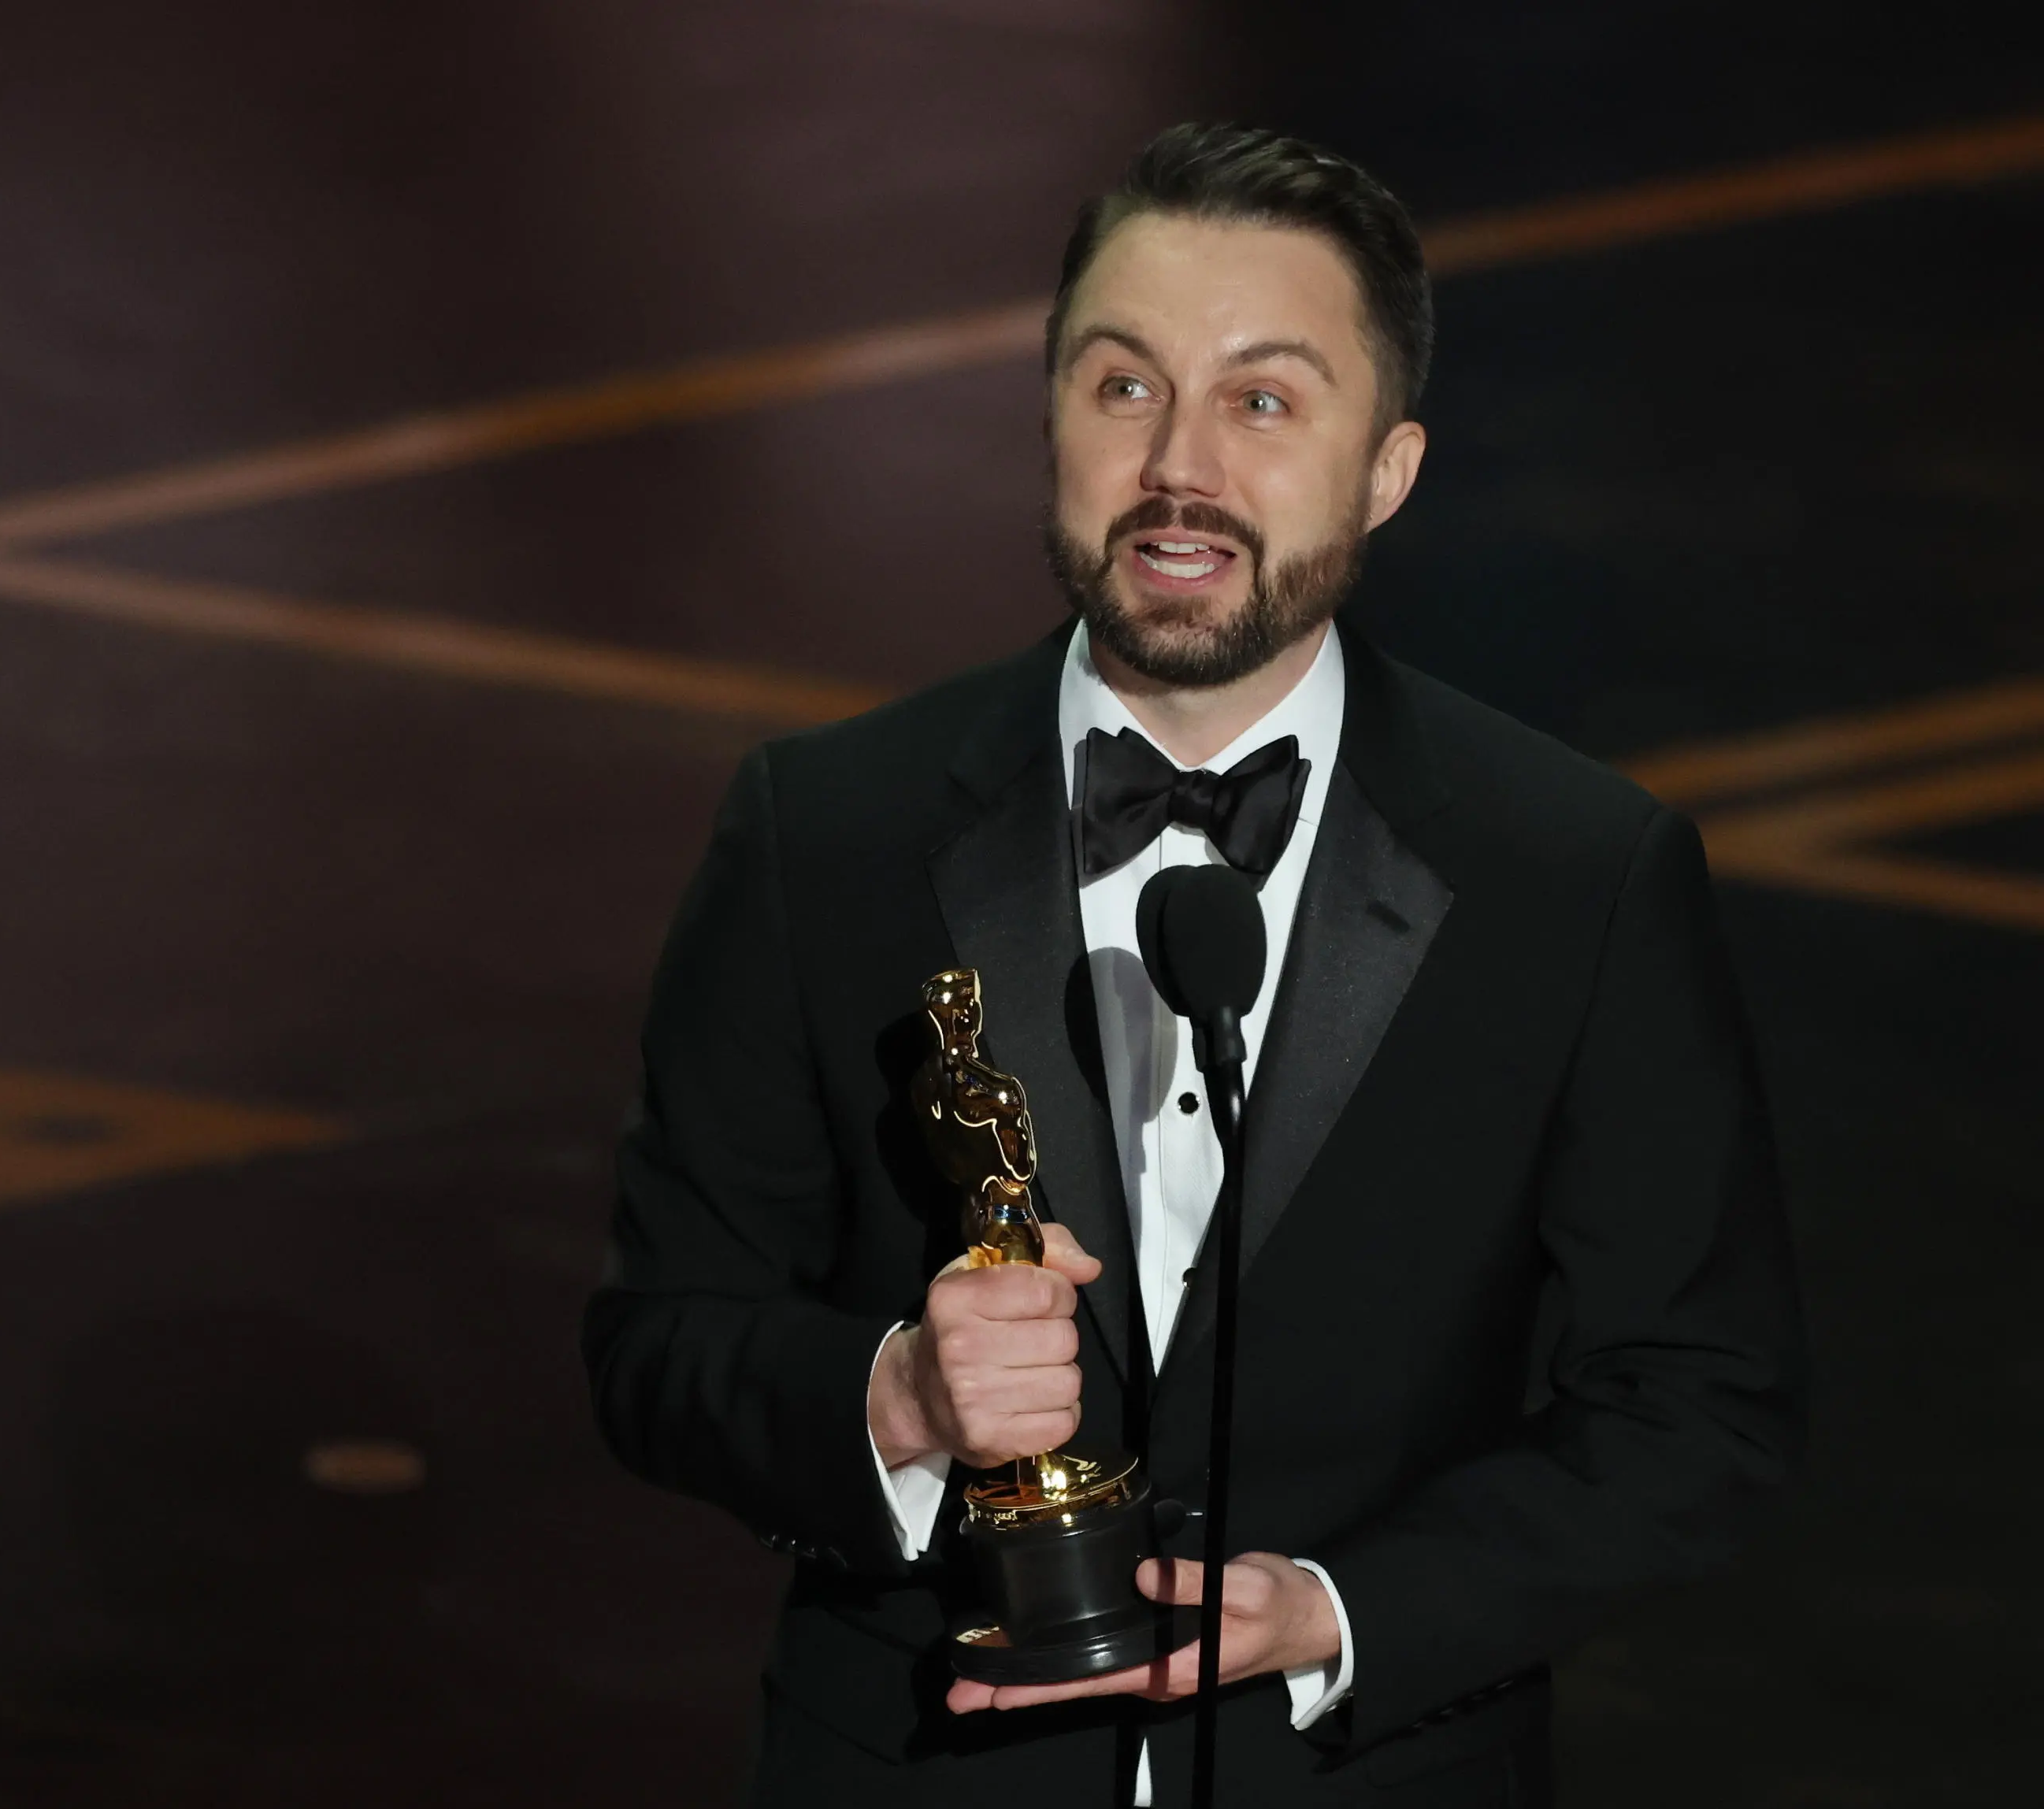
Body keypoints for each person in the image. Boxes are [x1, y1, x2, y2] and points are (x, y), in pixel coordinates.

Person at [584, 123, 1807, 1807]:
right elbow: (659, 1341)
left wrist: (1338, 1611)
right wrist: (901, 1396)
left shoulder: (1574, 874)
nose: (1182, 466)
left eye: (1265, 399)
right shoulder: (825, 831)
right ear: (1051, 419)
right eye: (1123, 386)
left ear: (1389, 466)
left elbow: (1699, 1400)